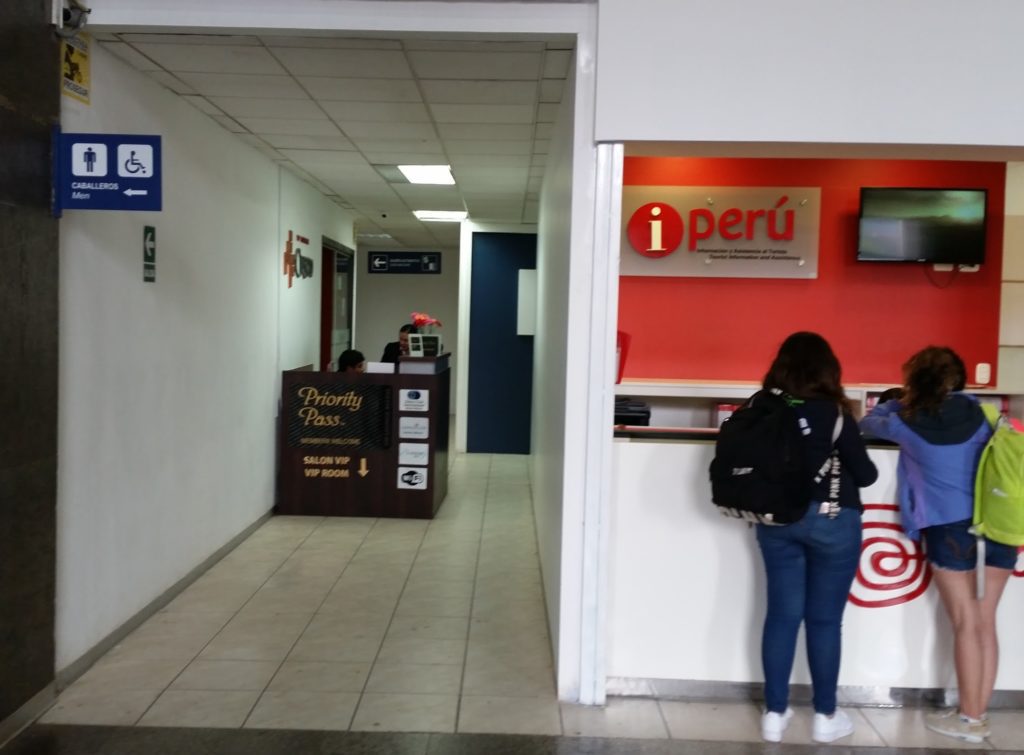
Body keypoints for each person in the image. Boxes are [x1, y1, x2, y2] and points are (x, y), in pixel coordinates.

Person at [861, 346, 1014, 744]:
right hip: (997, 525)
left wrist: (896, 402)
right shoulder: (985, 414)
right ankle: (977, 714)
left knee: (964, 621)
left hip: (949, 529)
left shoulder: (906, 422)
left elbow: (867, 421)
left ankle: (969, 719)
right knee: (985, 620)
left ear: (915, 383)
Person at [756, 332, 878, 744]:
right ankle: (825, 718)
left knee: (781, 617)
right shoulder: (835, 413)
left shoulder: (763, 408)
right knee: (824, 620)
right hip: (832, 522)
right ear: (829, 369)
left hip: (776, 522)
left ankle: (774, 715)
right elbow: (866, 475)